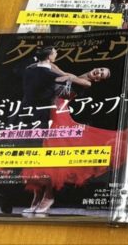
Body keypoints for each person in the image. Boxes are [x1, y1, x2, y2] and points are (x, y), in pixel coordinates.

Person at [22, 65, 115, 214]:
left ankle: (48, 196)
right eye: (100, 69)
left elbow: (64, 77)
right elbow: (58, 72)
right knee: (42, 157)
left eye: (101, 74)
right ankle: (37, 195)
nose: (98, 71)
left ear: (98, 79)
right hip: (48, 112)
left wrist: (51, 72)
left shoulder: (86, 82)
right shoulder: (76, 76)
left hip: (59, 115)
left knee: (52, 157)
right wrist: (43, 64)